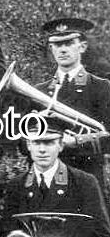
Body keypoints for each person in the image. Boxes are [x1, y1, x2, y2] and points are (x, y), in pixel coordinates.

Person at [36, 18, 110, 198]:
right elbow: (22, 142)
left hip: (87, 177)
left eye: (68, 43)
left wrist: (76, 142)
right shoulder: (39, 91)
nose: (62, 49)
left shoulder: (102, 87)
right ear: (51, 49)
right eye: (56, 44)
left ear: (82, 47)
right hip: (48, 179)